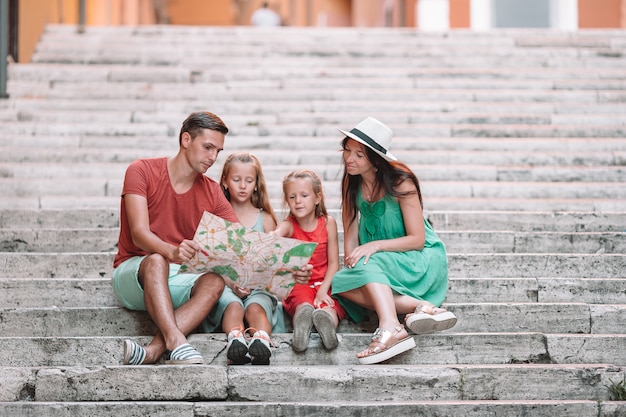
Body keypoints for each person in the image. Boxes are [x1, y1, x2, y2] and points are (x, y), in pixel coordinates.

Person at [112, 111, 239, 365]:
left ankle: (153, 351)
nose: (213, 158)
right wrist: (172, 252)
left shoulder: (213, 191)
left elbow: (240, 243)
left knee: (214, 282)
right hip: (134, 272)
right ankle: (177, 342)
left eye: (218, 151)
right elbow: (139, 234)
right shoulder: (141, 171)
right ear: (185, 140)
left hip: (179, 277)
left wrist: (244, 276)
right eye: (208, 147)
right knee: (157, 260)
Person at [331, 117, 457, 365]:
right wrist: (353, 264)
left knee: (368, 262)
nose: (349, 159)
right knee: (340, 283)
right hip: (378, 263)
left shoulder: (402, 183)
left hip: (417, 259)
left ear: (375, 161)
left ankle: (391, 327)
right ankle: (421, 307)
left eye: (359, 155)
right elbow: (349, 232)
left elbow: (417, 239)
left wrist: (374, 246)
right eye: (347, 150)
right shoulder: (351, 185)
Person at [201, 152, 283, 365]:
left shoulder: (265, 219)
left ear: (256, 184)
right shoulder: (217, 219)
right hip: (226, 285)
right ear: (225, 182)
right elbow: (211, 262)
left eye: (249, 180)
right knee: (233, 305)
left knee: (255, 307)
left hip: (258, 288)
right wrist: (230, 282)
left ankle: (261, 340)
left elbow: (272, 262)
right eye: (237, 180)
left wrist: (257, 278)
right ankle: (235, 340)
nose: (243, 186)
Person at [273, 170, 346, 352]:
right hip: (300, 284)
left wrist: (322, 291)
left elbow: (334, 263)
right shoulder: (289, 225)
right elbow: (276, 233)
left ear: (317, 198)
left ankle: (328, 324)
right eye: (292, 196)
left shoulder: (328, 223)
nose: (298, 201)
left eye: (304, 195)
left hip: (325, 283)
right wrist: (272, 236)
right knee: (302, 301)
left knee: (329, 304)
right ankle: (301, 326)